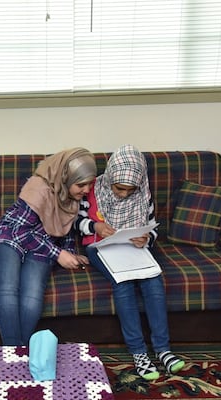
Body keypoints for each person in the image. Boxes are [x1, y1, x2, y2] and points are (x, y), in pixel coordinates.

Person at [75, 144, 184, 380]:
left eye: (129, 189)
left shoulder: (143, 194)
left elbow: (152, 227)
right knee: (123, 283)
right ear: (111, 176)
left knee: (153, 282)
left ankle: (163, 349)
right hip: (99, 246)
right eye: (119, 188)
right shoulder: (92, 190)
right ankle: (138, 352)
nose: (124, 194)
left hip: (132, 248)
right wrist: (96, 226)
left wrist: (146, 238)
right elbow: (78, 223)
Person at [0, 147, 98, 346]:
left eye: (89, 184)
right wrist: (58, 254)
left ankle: (18, 351)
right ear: (65, 179)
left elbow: (65, 227)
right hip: (10, 237)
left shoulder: (73, 197)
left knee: (31, 296)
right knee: (8, 288)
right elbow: (19, 231)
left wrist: (70, 252)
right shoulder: (38, 188)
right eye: (81, 184)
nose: (87, 190)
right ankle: (15, 351)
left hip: (41, 245)